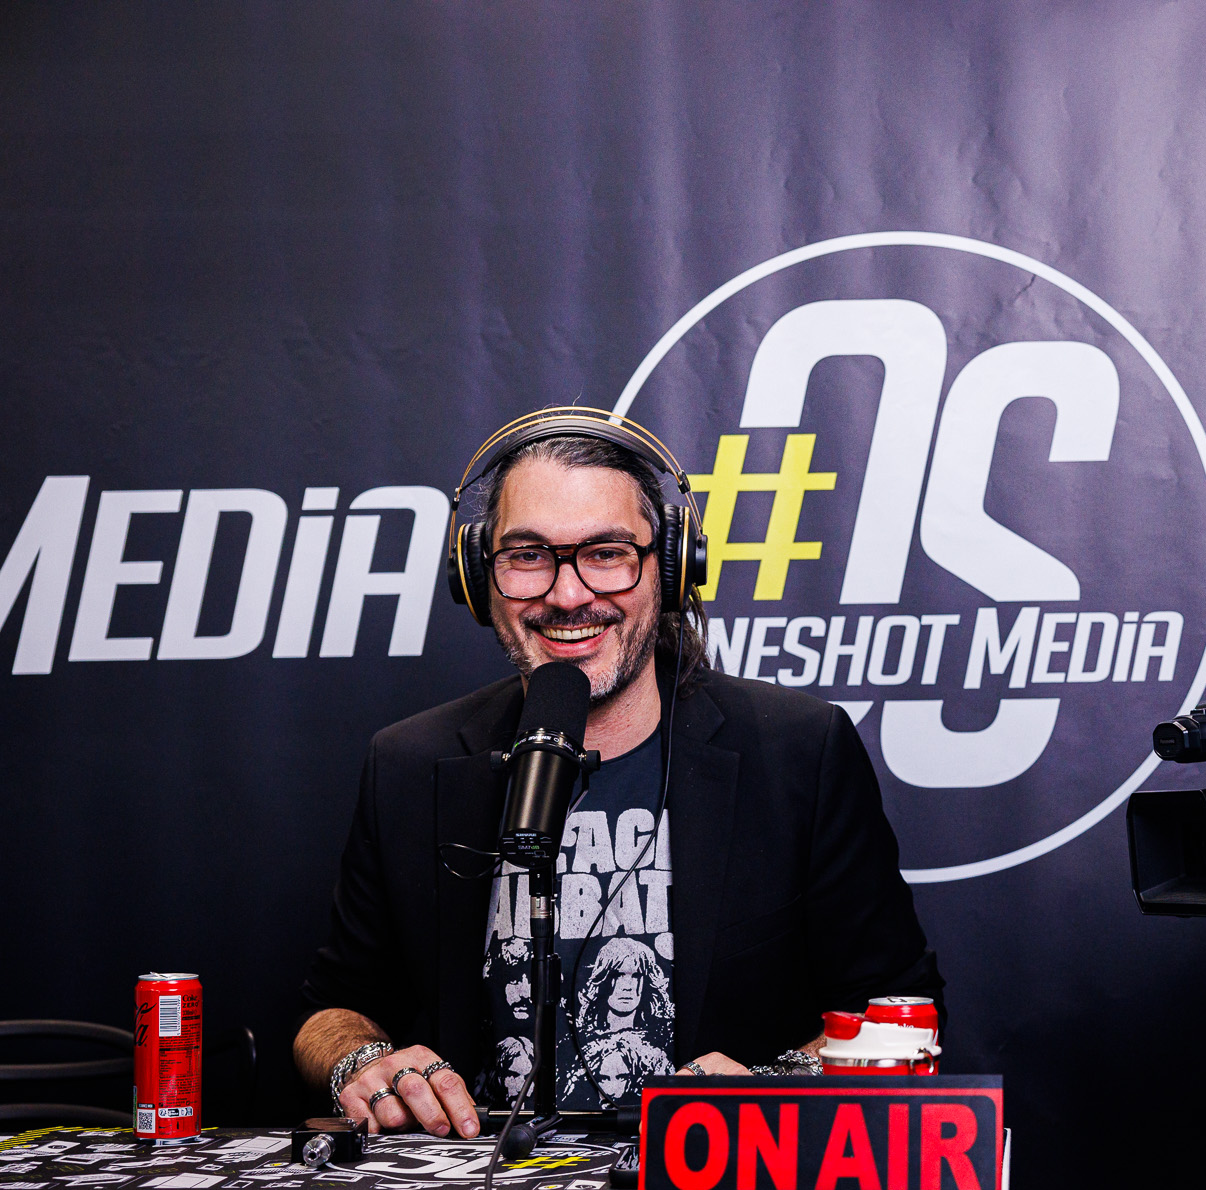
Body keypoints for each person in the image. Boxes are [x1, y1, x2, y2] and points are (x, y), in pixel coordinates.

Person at [293, 410, 942, 1137]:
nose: (568, 595)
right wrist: (361, 1061)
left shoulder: (798, 751)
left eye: (606, 553)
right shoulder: (409, 763)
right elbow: (329, 1012)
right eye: (527, 555)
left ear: (672, 566)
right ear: (477, 577)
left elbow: (902, 1015)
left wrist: (770, 1089)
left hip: (714, 1189)